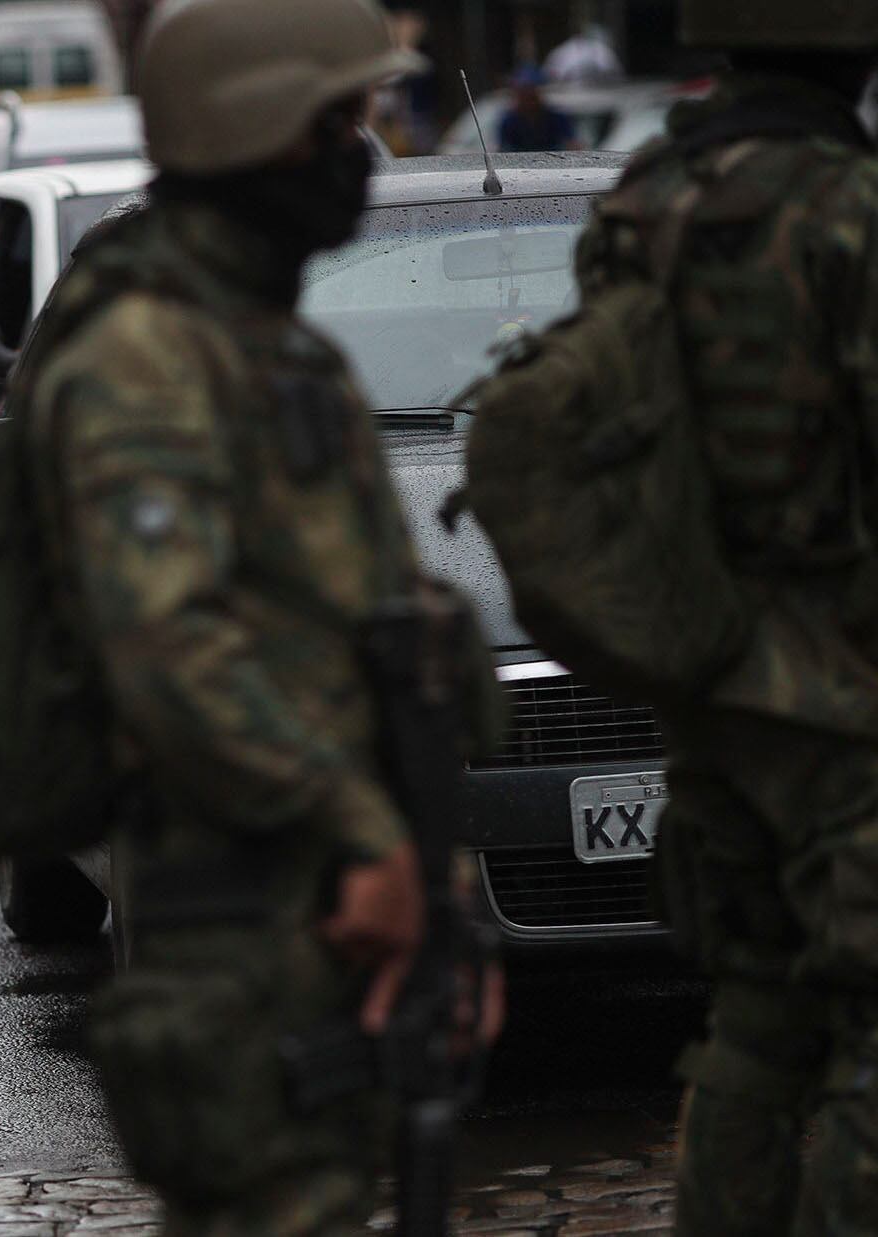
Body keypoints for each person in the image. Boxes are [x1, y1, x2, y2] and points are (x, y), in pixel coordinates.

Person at [6, 0, 499, 1231]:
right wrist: (364, 836)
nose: (364, 151)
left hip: (344, 905)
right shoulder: (141, 357)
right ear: (250, 131)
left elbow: (375, 638)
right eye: (337, 121)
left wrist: (432, 889)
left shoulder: (280, 351)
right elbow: (167, 648)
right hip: (232, 921)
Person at [530, 6, 878, 1230]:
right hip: (843, 689)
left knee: (757, 1019)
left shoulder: (642, 202)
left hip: (704, 686)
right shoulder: (844, 202)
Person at [497, 66, 580, 152]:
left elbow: (572, 145)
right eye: (523, 93)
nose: (527, 99)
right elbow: (502, 149)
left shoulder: (558, 119)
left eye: (531, 93)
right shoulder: (509, 122)